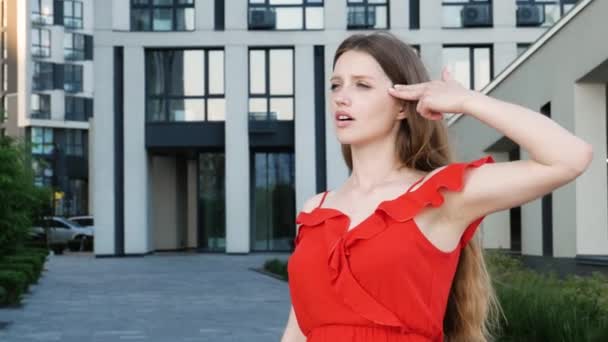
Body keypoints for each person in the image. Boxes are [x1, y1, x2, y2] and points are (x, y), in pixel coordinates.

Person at [280, 32, 593, 342]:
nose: (341, 96)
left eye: (362, 85)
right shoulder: (315, 211)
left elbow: (570, 157)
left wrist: (468, 101)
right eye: (336, 84)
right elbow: (297, 331)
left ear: (403, 106)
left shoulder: (439, 195)